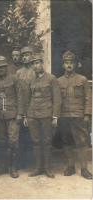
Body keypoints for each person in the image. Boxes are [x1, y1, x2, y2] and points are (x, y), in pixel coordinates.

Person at [24, 53, 61, 178]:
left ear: (42, 63)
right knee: (35, 141)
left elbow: (57, 99)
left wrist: (55, 116)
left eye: (38, 62)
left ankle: (47, 168)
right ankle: (38, 168)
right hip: (33, 115)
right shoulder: (31, 80)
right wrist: (26, 116)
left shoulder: (51, 78)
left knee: (47, 141)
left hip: (46, 114)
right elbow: (27, 99)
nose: (36, 65)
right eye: (34, 63)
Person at [58, 50, 92, 179]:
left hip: (78, 115)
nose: (69, 65)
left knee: (82, 142)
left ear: (76, 64)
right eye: (66, 63)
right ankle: (70, 166)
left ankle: (84, 169)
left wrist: (87, 114)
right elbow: (56, 100)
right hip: (64, 115)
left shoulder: (82, 80)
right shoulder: (58, 81)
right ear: (63, 65)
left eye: (71, 62)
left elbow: (88, 98)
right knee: (67, 141)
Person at [0, 56, 24, 178]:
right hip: (0, 116)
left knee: (13, 141)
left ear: (6, 67)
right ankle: (2, 166)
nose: (1, 69)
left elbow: (20, 97)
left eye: (3, 67)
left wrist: (20, 113)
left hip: (13, 115)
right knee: (1, 142)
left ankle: (13, 167)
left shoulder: (14, 79)